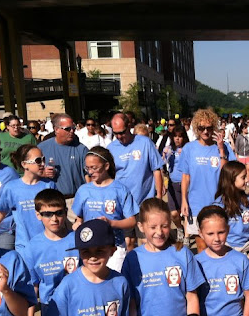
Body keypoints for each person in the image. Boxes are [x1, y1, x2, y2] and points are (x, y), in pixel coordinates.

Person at [72, 146, 138, 271]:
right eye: (87, 168)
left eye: (94, 168)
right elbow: (79, 218)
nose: (90, 172)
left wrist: (111, 223)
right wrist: (78, 224)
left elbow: (132, 221)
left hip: (114, 247)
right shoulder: (83, 190)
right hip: (90, 246)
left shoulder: (120, 189)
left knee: (113, 279)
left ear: (106, 166)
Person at [179, 108, 234, 252]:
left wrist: (221, 150)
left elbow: (226, 173)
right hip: (196, 204)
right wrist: (184, 200)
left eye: (209, 128)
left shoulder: (223, 147)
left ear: (214, 127)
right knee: (202, 246)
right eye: (201, 128)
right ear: (196, 128)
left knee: (219, 244)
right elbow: (185, 177)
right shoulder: (189, 149)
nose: (205, 131)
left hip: (219, 202)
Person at [108, 112, 163, 250]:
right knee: (128, 242)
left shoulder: (145, 143)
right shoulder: (111, 148)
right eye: (115, 133)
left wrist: (159, 197)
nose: (119, 136)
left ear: (129, 127)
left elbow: (156, 169)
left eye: (122, 132)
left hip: (144, 200)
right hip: (123, 203)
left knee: (146, 240)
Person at [0, 144, 56, 252]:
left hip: (49, 245)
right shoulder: (12, 188)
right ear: (24, 164)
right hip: (24, 247)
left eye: (43, 159)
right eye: (38, 161)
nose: (42, 164)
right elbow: (0, 214)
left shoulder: (49, 185)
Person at [38, 113, 89, 221]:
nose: (72, 131)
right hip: (50, 203)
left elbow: (89, 175)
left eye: (73, 128)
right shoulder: (42, 148)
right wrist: (42, 173)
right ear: (56, 129)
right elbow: (30, 171)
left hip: (74, 201)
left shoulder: (81, 149)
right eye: (67, 129)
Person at [213, 161, 249, 266]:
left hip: (247, 249)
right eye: (243, 177)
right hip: (226, 250)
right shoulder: (219, 205)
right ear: (231, 180)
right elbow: (216, 234)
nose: (247, 180)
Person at [162, 126, 189, 242]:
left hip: (186, 184)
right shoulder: (169, 149)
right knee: (173, 213)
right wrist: (165, 155)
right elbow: (162, 164)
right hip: (173, 184)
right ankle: (179, 228)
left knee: (186, 213)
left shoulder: (188, 148)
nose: (177, 139)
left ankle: (187, 237)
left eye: (180, 136)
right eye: (175, 136)